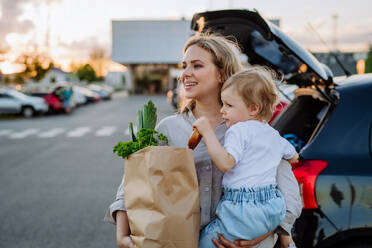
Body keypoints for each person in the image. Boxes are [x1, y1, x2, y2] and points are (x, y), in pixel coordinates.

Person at [104, 33, 302, 248]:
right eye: (184, 66)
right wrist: (122, 235)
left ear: (221, 74)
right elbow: (133, 183)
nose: (185, 74)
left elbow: (286, 189)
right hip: (181, 241)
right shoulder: (169, 129)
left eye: (197, 66)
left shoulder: (253, 129)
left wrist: (264, 234)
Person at [193, 67, 299, 248]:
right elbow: (294, 157)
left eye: (229, 105)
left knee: (202, 242)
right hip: (273, 207)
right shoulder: (273, 134)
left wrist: (207, 131)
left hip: (242, 209)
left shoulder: (238, 130)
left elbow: (226, 163)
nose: (223, 111)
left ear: (253, 108)